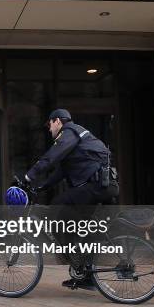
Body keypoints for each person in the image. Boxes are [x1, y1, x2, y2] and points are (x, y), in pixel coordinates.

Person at [23, 109, 118, 289]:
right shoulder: (77, 139)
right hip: (100, 187)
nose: (49, 129)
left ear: (57, 121)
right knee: (82, 227)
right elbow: (62, 172)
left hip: (97, 186)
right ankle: (86, 274)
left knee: (57, 206)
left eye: (49, 124)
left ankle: (73, 257)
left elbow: (51, 157)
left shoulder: (70, 132)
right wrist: (41, 186)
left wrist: (28, 176)